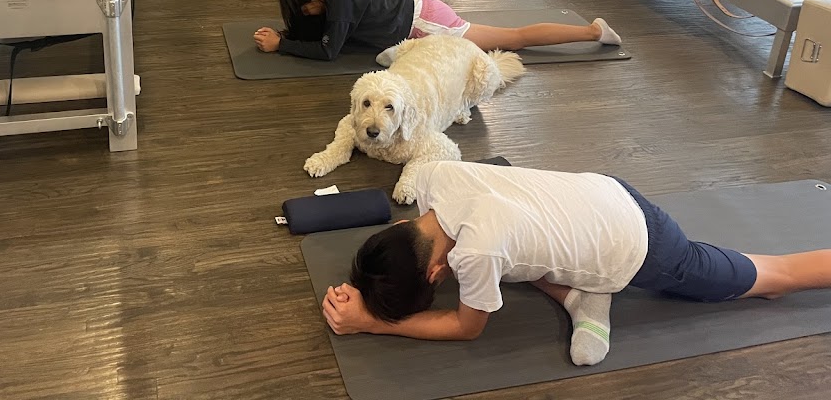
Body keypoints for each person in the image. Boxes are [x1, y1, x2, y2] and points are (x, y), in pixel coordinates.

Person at [321, 161, 831, 366]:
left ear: (435, 274)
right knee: (508, 260)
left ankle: (591, 291)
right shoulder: (434, 177)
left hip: (641, 247)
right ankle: (583, 298)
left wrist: (374, 321)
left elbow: (466, 326)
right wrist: (373, 286)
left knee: (773, 278)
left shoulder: (476, 252)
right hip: (603, 190)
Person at [253, 0, 622, 61]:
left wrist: (281, 45)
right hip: (418, 6)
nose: (305, 12)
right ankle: (590, 31)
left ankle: (593, 32)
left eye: (303, 6)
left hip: (426, 23)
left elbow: (329, 50)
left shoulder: (340, 1)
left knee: (514, 39)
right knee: (513, 37)